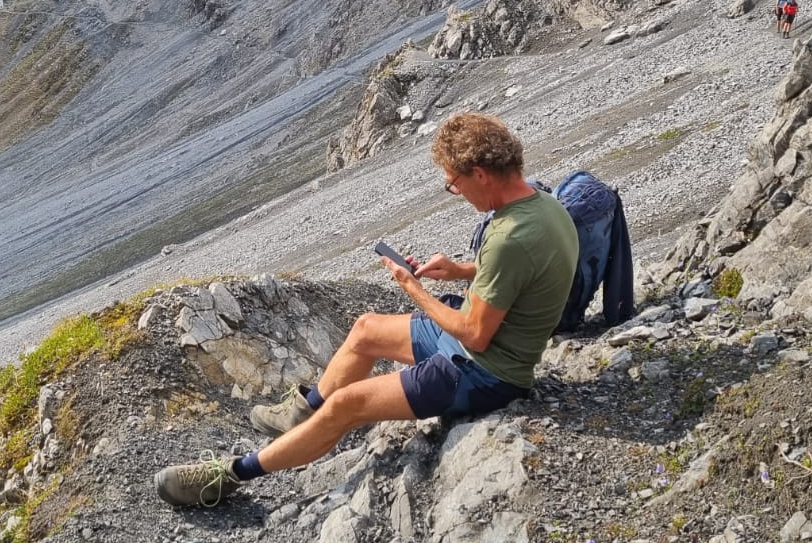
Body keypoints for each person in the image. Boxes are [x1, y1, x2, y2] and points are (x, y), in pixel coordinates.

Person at [153, 113, 580, 507]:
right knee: (366, 329)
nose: (456, 192)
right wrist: (461, 271)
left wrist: (414, 289)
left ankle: (228, 474)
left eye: (454, 183)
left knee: (349, 404)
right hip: (474, 345)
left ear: (481, 174)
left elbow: (474, 334)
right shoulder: (543, 206)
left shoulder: (510, 236)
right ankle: (301, 417)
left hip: (484, 371)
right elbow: (523, 272)